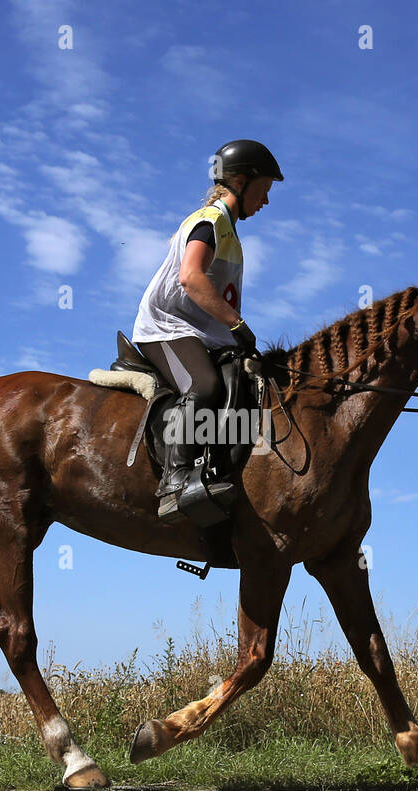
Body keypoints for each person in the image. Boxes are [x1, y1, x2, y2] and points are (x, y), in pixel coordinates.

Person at [132, 139, 282, 521]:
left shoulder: (231, 232)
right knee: (205, 386)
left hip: (200, 332)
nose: (265, 201)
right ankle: (174, 481)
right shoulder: (210, 221)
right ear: (242, 182)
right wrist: (237, 324)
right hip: (165, 326)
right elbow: (190, 278)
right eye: (263, 190)